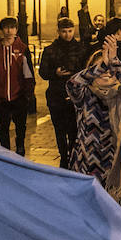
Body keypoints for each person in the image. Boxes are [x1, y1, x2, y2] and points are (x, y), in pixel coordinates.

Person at [67, 36, 121, 211]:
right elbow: (72, 83)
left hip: (117, 169)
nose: (106, 72)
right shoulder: (85, 94)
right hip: (86, 167)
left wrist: (115, 61)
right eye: (99, 69)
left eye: (110, 70)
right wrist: (102, 64)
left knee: (113, 220)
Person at [0, 16, 35, 156]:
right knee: (3, 127)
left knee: (21, 127)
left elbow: (28, 74)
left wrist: (28, 94)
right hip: (0, 97)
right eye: (6, 27)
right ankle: (5, 152)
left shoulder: (22, 49)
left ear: (16, 30)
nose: (9, 31)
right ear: (1, 29)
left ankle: (20, 149)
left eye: (12, 27)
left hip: (19, 96)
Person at [39, 18, 88, 166]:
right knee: (59, 130)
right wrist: (55, 73)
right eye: (64, 31)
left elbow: (86, 70)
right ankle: (63, 156)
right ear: (58, 31)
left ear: (74, 30)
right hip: (56, 95)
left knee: (74, 129)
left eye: (70, 31)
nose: (67, 34)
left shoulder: (81, 49)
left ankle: (73, 156)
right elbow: (43, 72)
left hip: (76, 96)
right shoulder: (50, 50)